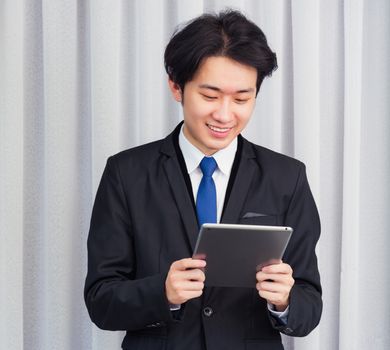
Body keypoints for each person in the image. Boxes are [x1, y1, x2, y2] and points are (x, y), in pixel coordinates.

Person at [84, 9, 322, 350]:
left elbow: (310, 305)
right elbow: (100, 300)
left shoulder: (287, 177)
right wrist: (162, 293)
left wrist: (284, 301)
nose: (225, 114)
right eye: (210, 96)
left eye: (242, 98)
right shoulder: (126, 173)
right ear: (176, 87)